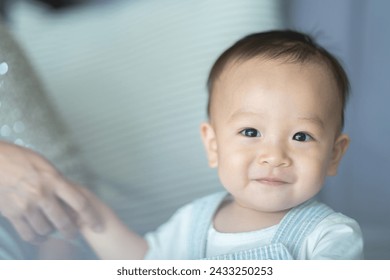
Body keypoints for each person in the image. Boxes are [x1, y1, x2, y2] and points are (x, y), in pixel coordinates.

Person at [77, 30, 363, 259]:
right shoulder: (191, 222)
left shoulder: (329, 236)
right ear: (213, 145)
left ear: (334, 155)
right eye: (251, 132)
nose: (274, 156)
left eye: (301, 136)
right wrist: (94, 219)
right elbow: (145, 263)